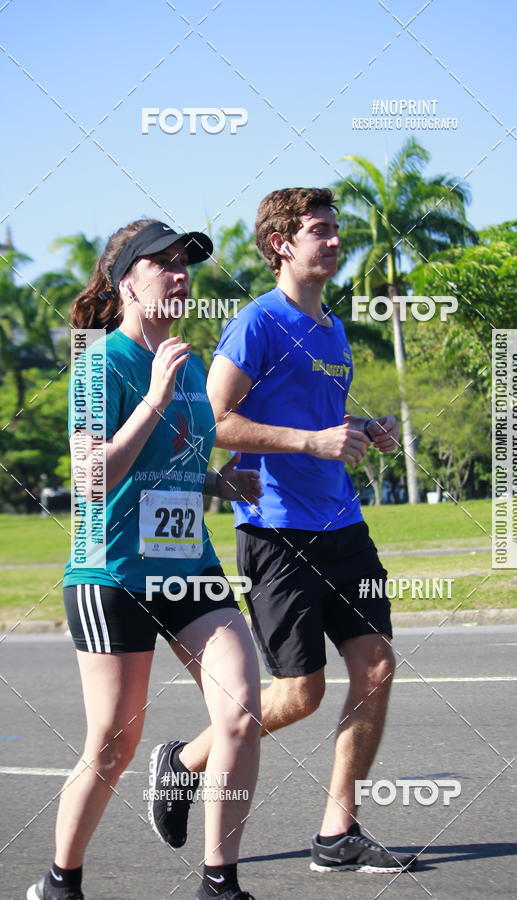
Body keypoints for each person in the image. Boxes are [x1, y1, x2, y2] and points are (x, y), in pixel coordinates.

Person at [149, 189, 418, 874]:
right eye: (320, 231)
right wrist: (310, 442)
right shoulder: (257, 324)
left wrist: (364, 432)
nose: (335, 240)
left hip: (343, 524)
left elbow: (324, 425)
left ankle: (337, 832)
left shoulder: (331, 329)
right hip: (277, 532)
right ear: (281, 245)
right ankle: (184, 760)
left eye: (336, 230)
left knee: (377, 667)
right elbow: (213, 422)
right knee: (301, 692)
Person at [28, 219, 261, 900]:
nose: (180, 272)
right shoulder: (102, 364)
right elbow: (92, 478)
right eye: (163, 262)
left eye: (186, 262)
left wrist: (219, 481)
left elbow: (173, 461)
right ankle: (59, 882)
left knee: (241, 712)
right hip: (114, 573)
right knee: (113, 745)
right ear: (127, 279)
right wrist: (153, 397)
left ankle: (220, 885)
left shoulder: (187, 361)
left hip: (187, 564)